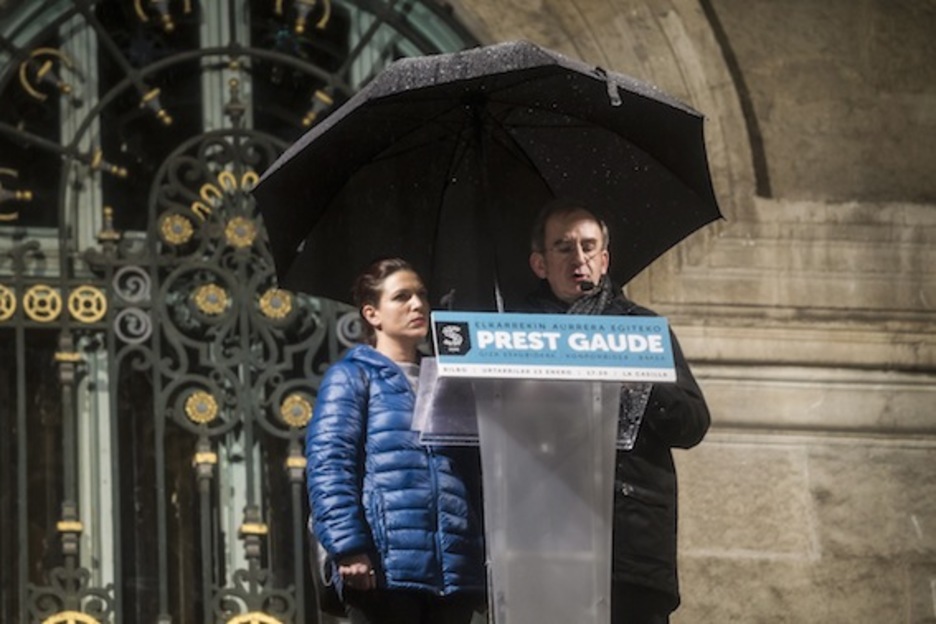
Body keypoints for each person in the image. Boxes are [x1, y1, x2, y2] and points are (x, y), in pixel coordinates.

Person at [521, 199, 711, 624]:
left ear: (605, 260)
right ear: (540, 263)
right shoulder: (516, 331)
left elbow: (693, 423)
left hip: (629, 547)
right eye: (563, 247)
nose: (579, 258)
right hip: (543, 542)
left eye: (589, 247)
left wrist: (640, 380)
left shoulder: (641, 331)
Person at [305, 257, 486, 624]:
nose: (417, 305)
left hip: (452, 574)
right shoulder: (353, 376)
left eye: (422, 295)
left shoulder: (447, 378)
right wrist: (348, 547)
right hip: (384, 572)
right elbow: (329, 466)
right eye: (402, 297)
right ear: (372, 313)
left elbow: (472, 473)